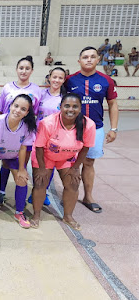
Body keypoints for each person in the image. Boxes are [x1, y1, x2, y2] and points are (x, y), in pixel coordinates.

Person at [31, 93, 96, 230]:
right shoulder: (48, 123)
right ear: (60, 107)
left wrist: (75, 167)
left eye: (75, 106)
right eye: (67, 106)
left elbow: (85, 148)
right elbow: (39, 147)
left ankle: (68, 216)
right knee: (40, 183)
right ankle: (36, 215)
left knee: (73, 184)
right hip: (45, 157)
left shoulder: (88, 125)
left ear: (80, 108)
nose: (70, 109)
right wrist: (42, 168)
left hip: (67, 158)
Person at [65, 46, 118, 213]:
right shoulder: (69, 80)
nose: (89, 59)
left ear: (98, 60)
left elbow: (112, 104)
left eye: (92, 57)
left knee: (88, 162)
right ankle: (68, 194)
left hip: (96, 128)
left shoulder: (106, 80)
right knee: (68, 162)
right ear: (79, 60)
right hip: (72, 127)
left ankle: (88, 196)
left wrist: (114, 128)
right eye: (85, 57)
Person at [0, 94, 36, 226]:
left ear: (27, 112)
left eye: (23, 109)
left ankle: (19, 212)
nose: (18, 110)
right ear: (10, 106)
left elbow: (23, 149)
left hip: (13, 154)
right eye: (16, 106)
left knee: (22, 180)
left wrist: (22, 169)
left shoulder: (27, 126)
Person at [0, 55, 41, 205]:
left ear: (32, 71)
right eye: (21, 68)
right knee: (5, 162)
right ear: (16, 69)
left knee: (20, 163)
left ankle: (19, 196)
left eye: (27, 68)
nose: (24, 71)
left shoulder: (36, 90)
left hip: (25, 132)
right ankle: (2, 192)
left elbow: (35, 112)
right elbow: (1, 110)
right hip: (7, 131)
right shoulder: (7, 87)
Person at [27, 67, 67, 206]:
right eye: (54, 77)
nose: (56, 80)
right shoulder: (41, 94)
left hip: (56, 138)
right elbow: (33, 113)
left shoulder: (65, 98)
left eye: (60, 78)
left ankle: (43, 192)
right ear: (49, 78)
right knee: (37, 165)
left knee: (50, 167)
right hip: (38, 135)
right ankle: (36, 190)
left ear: (64, 80)